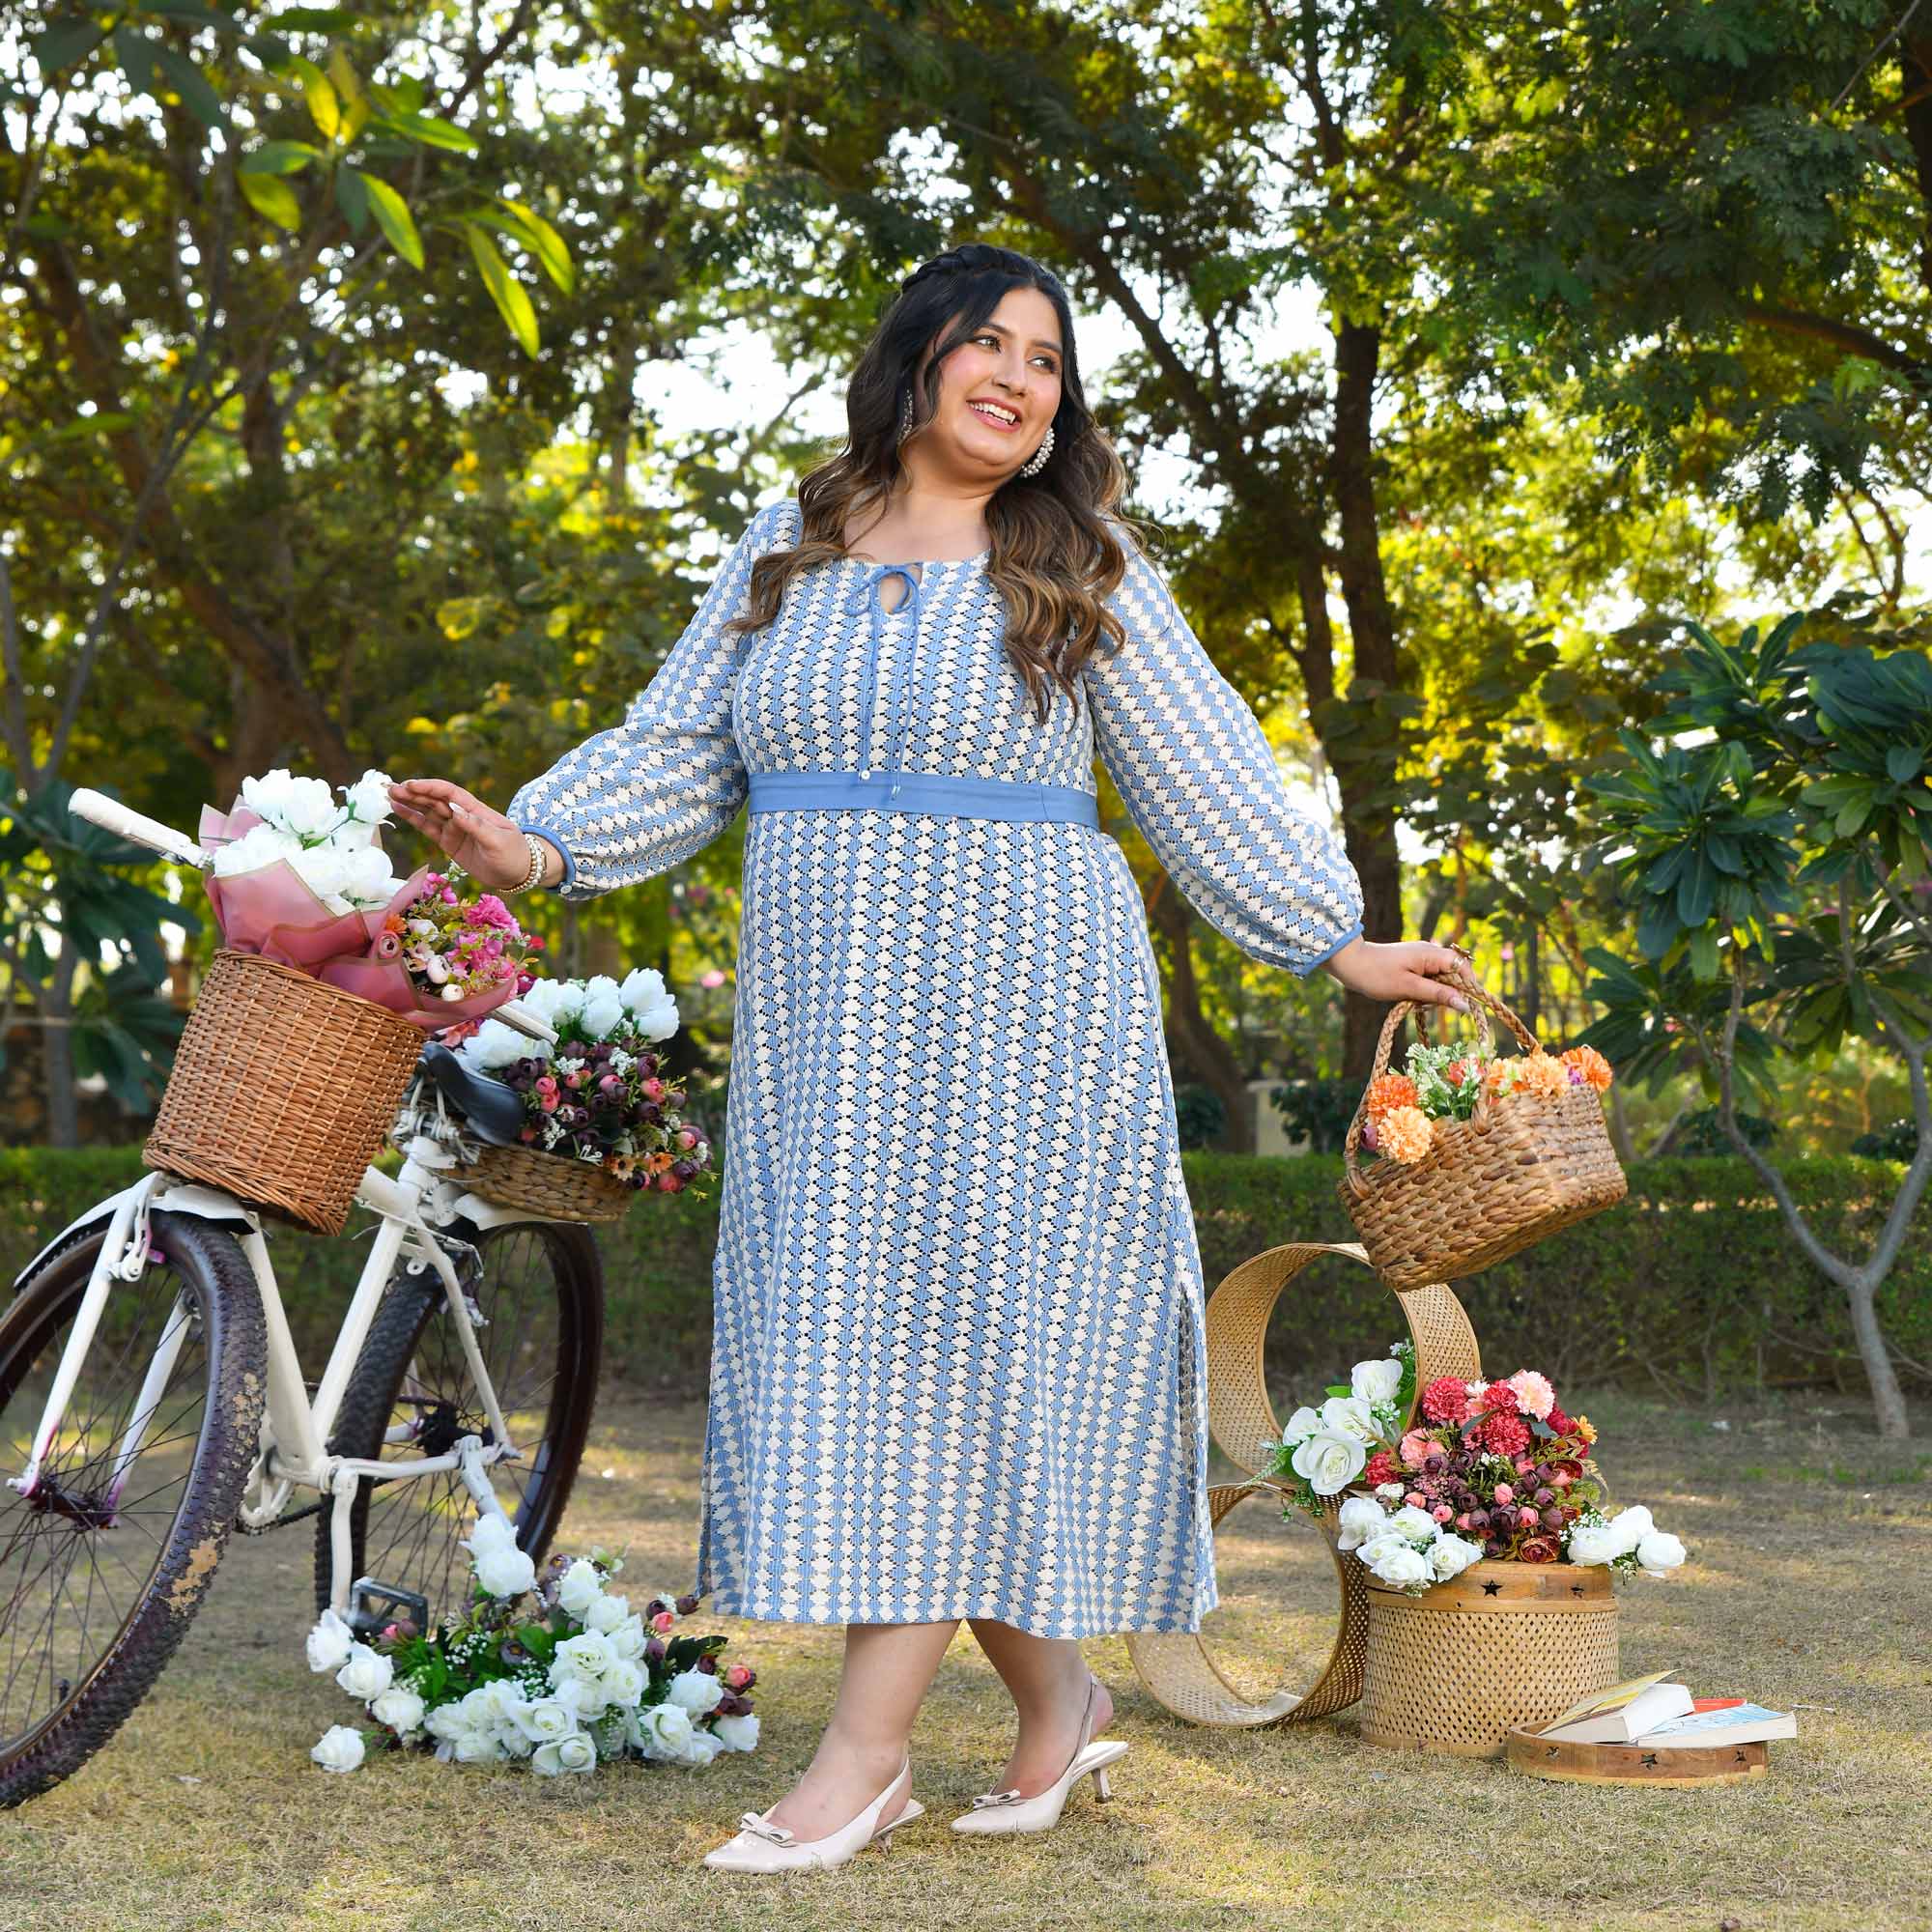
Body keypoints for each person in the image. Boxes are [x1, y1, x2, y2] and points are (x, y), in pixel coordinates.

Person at [389, 241, 1465, 1874]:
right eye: (992, 344)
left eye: (1047, 361)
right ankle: (1062, 1708)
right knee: (862, 1355)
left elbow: (1206, 767)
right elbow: (682, 750)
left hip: (1030, 1016)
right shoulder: (792, 543)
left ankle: (862, 1759)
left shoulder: (1079, 556)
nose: (1021, 378)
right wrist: (531, 848)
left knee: (969, 1355)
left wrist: (1332, 934)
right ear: (917, 359)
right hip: (831, 1028)